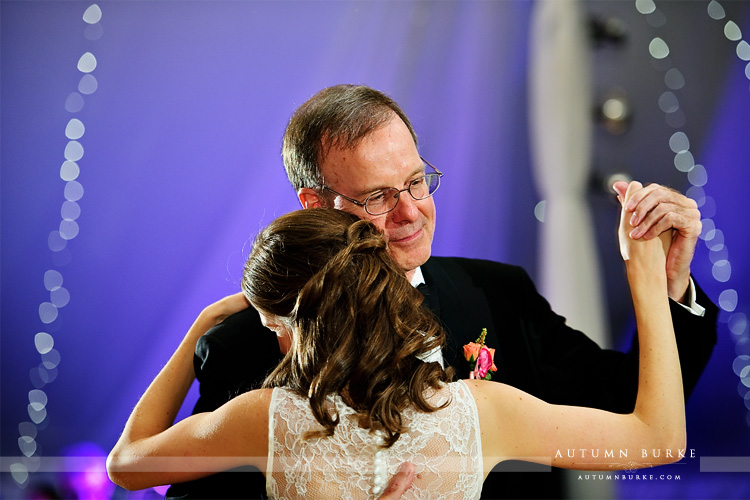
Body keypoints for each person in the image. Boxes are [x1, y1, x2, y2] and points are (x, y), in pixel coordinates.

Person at [166, 84, 718, 499]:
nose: (411, 212)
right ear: (317, 207)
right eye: (379, 196)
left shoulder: (499, 291)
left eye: (415, 181)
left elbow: (626, 404)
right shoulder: (245, 343)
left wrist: (668, 287)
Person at [108, 201, 686, 499]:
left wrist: (197, 331)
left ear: (293, 322)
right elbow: (661, 442)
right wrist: (646, 279)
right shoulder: (483, 412)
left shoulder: (265, 419)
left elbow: (128, 465)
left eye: (270, 325)